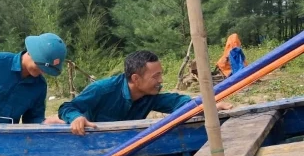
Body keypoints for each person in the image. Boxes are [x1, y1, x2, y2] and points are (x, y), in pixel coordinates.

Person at [58, 49, 233, 136]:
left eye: (161, 75)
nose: (161, 80)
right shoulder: (103, 89)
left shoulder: (150, 93)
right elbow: (67, 107)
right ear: (136, 78)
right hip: (93, 142)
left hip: (128, 144)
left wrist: (210, 105)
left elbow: (178, 102)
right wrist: (75, 117)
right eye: (155, 76)